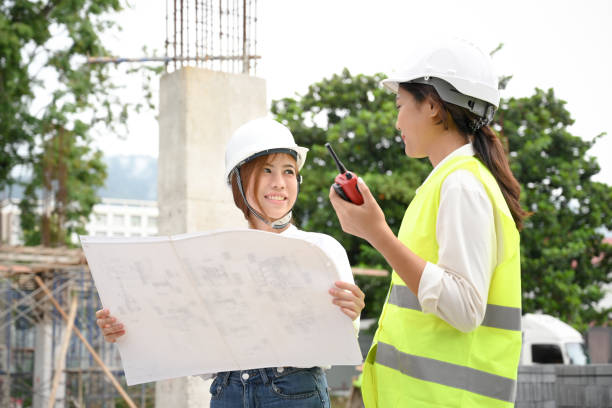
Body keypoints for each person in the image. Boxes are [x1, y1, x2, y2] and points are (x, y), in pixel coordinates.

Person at [96, 117, 365, 407]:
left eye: (289, 171)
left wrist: (350, 313)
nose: (279, 182)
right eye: (266, 170)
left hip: (294, 392)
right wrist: (129, 329)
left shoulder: (320, 250)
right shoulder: (212, 259)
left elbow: (339, 343)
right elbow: (193, 349)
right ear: (238, 180)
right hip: (227, 391)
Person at [328, 38, 527, 407]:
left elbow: (465, 308)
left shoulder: (462, 184)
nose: (396, 120)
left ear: (433, 106)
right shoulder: (452, 181)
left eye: (401, 105)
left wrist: (377, 233)